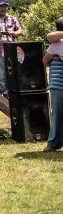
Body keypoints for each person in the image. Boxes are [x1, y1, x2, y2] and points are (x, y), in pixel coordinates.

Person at [43, 17, 63, 152]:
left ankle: (53, 143)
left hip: (57, 85)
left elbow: (45, 61)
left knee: (57, 114)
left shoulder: (56, 44)